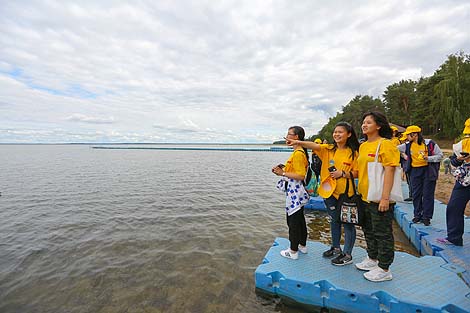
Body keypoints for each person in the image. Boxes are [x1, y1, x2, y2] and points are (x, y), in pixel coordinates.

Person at [287, 122, 360, 266]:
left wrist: (343, 173)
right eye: (335, 132)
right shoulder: (329, 149)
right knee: (334, 221)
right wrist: (297, 142)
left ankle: (347, 254)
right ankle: (335, 247)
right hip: (329, 192)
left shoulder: (354, 152)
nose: (337, 134)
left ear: (349, 134)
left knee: (348, 224)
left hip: (347, 193)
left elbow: (358, 172)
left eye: (340, 132)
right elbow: (313, 146)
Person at [355, 111, 400, 282]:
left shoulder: (386, 145)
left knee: (383, 233)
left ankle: (384, 268)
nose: (364, 125)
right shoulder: (364, 145)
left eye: (368, 122)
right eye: (363, 122)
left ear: (379, 126)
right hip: (365, 195)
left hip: (380, 197)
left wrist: (385, 198)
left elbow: (390, 170)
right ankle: (372, 259)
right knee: (368, 229)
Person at [272, 126, 309, 260]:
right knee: (299, 219)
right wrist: (283, 169)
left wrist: (283, 173)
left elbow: (300, 175)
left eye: (289, 135)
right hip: (297, 191)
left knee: (293, 221)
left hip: (295, 193)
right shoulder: (298, 152)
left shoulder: (298, 153)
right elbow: (295, 170)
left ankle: (293, 251)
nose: (287, 137)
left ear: (297, 137)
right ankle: (302, 245)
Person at [397, 126, 443, 226]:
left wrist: (428, 158)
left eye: (408, 135)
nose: (407, 137)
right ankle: (417, 214)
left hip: (428, 171)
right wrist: (404, 155)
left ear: (415, 134)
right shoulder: (407, 145)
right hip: (414, 171)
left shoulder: (429, 143)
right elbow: (394, 149)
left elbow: (440, 155)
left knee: (427, 194)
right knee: (416, 194)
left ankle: (426, 217)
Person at [436, 117, 470, 246]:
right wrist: (460, 159)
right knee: (454, 208)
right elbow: (453, 161)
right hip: (463, 181)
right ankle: (454, 238)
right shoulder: (462, 144)